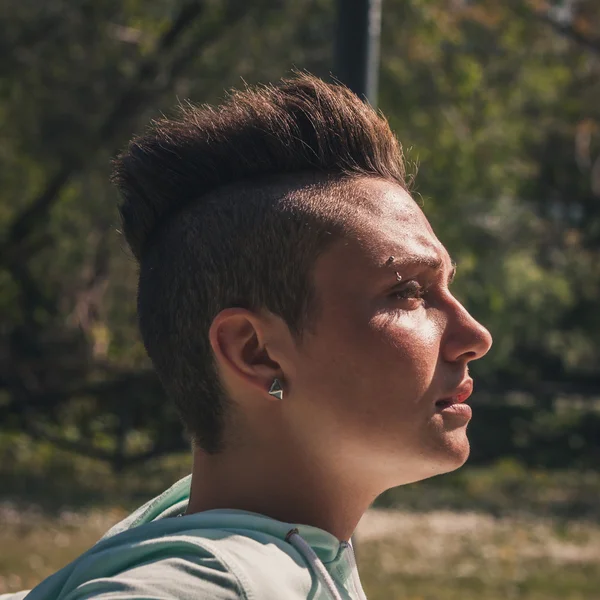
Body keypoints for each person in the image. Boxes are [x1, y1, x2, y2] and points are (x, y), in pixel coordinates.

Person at [8, 73, 492, 600]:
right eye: (408, 292)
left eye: (446, 286)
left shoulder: (245, 545)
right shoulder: (211, 581)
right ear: (254, 352)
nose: (474, 335)